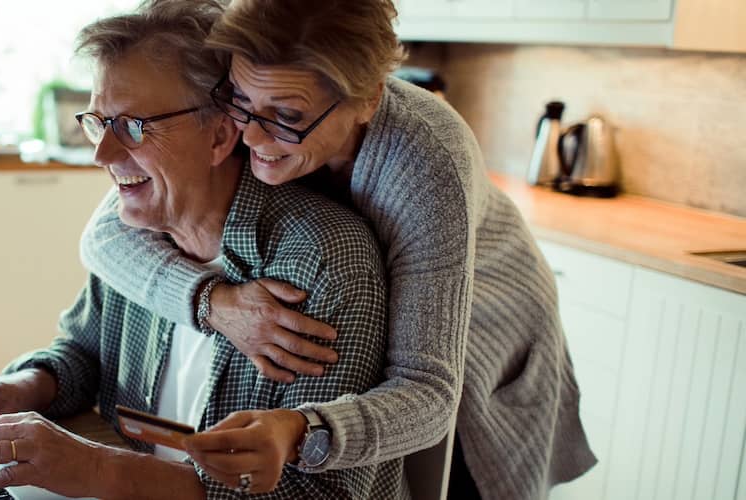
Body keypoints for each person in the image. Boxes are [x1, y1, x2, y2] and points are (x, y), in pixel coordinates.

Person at [78, 0, 597, 498]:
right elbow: (104, 236)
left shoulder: (426, 163)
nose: (251, 137)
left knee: (456, 478)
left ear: (368, 98)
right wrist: (216, 304)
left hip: (486, 327)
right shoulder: (253, 104)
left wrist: (304, 428)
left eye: (285, 116)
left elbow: (432, 393)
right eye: (239, 101)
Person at [0, 1, 406, 497]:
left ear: (221, 134)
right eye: (99, 122)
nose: (102, 153)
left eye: (134, 125)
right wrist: (13, 389)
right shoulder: (135, 235)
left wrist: (98, 470)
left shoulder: (325, 262)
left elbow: (320, 492)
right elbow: (81, 355)